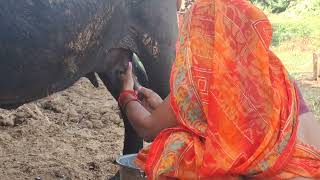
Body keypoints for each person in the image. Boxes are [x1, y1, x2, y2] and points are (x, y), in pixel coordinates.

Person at [118, 0, 320, 179]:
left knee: (177, 147)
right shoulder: (278, 78)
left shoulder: (202, 85)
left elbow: (147, 128)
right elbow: (215, 122)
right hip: (313, 165)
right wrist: (160, 105)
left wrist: (126, 93)